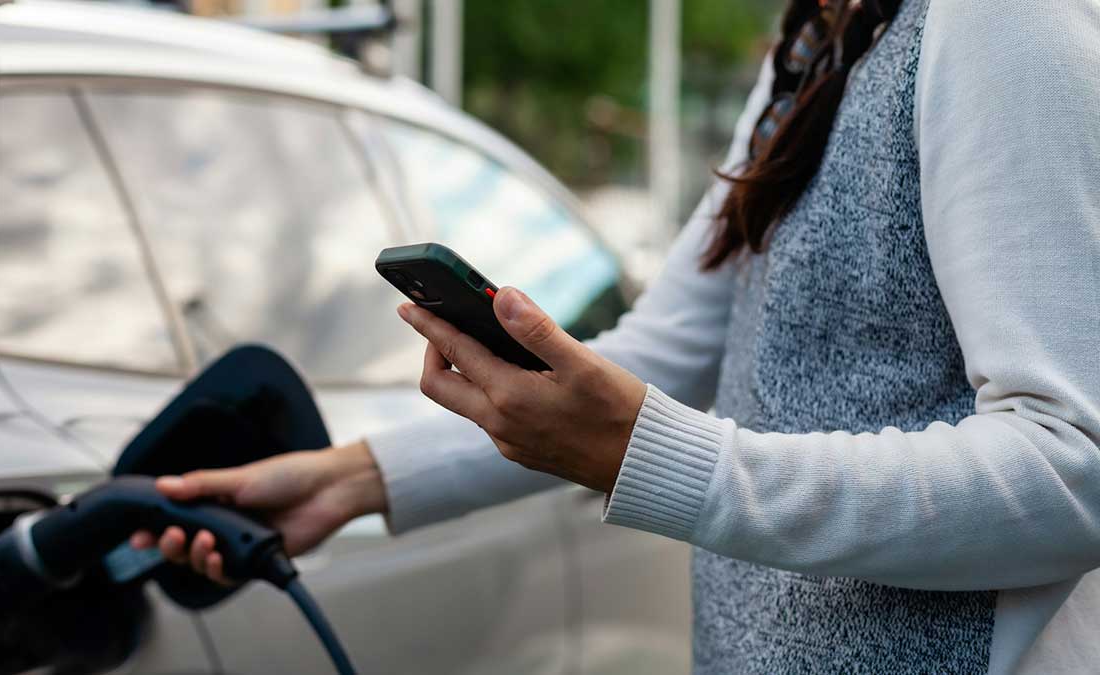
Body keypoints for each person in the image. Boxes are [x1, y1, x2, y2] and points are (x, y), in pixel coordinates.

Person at [134, 0, 1100, 671]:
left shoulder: (1002, 23)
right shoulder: (815, 43)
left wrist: (659, 457)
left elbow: (1071, 466)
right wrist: (351, 479)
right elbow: (668, 349)